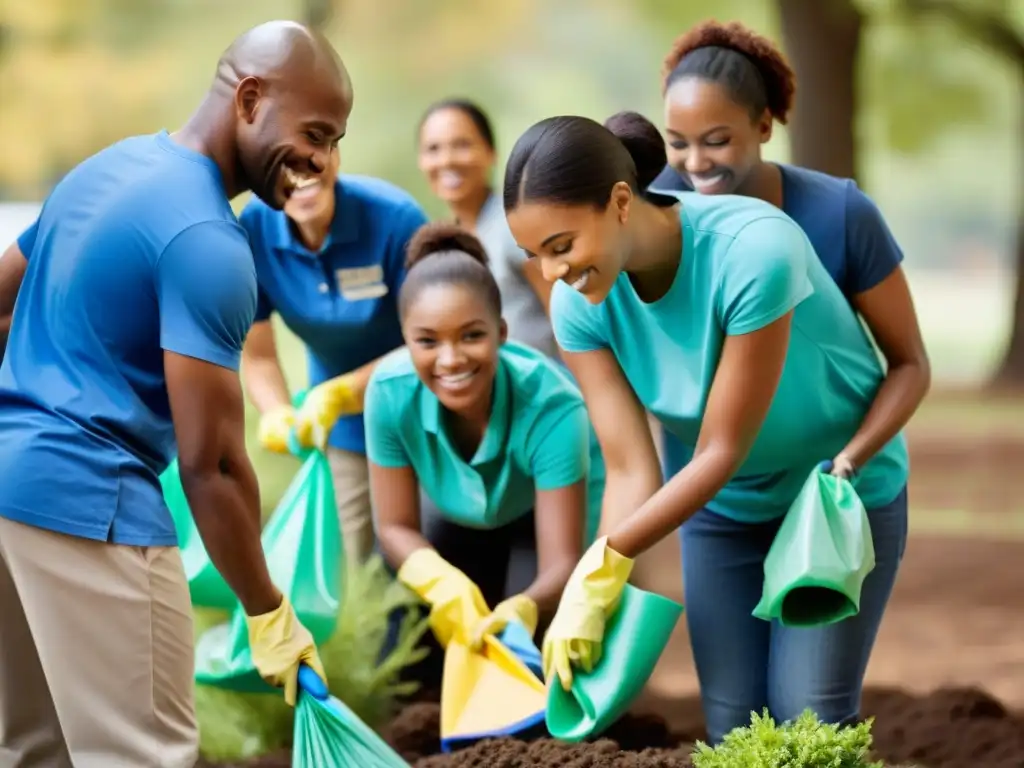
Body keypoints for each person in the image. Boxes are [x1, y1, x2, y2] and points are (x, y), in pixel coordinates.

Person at [502, 111, 916, 744]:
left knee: (807, 718)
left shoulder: (754, 251)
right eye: (535, 256)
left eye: (562, 246)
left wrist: (602, 565)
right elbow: (630, 468)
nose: (551, 273)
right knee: (731, 727)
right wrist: (598, 583)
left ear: (619, 201)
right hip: (722, 509)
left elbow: (722, 447)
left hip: (832, 497)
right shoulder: (578, 306)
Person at [0, 21, 350, 767]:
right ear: (250, 98)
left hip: (8, 500)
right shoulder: (207, 242)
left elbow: (2, 302)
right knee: (144, 756)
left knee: (34, 752)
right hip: (93, 510)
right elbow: (211, 463)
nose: (323, 161)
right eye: (316, 132)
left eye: (336, 140)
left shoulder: (107, 168)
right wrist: (268, 611)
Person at [646, 20, 931, 485]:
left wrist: (849, 461)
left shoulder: (840, 214)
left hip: (838, 487)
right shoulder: (656, 210)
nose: (695, 163)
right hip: (713, 493)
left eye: (716, 141)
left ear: (763, 126)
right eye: (678, 143)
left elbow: (910, 364)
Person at [365, 222, 603, 688]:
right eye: (427, 341)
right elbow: (394, 526)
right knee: (413, 654)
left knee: (543, 664)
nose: (450, 360)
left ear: (501, 332)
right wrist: (441, 582)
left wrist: (526, 608)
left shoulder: (552, 405)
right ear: (405, 340)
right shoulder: (389, 392)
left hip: (544, 515)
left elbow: (562, 560)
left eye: (471, 336)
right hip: (459, 514)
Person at [240, 142, 428, 566]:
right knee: (349, 560)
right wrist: (276, 411)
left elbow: (432, 341)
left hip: (424, 405)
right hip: (341, 426)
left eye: (313, 157)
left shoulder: (395, 219)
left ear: (337, 154)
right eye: (281, 164)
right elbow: (260, 356)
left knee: (425, 548)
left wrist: (343, 391)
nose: (300, 175)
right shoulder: (254, 229)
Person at [417, 98, 558, 359]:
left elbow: (567, 320)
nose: (446, 160)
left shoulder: (515, 227)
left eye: (462, 145)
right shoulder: (447, 237)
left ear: (491, 152)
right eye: (433, 149)